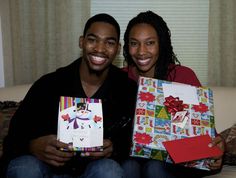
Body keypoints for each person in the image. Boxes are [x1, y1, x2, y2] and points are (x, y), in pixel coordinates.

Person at [0, 13, 137, 178]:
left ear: (117, 48)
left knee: (109, 170)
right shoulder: (49, 84)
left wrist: (113, 148)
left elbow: (131, 141)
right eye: (92, 40)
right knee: (25, 167)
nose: (100, 49)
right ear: (82, 42)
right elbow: (12, 139)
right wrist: (32, 146)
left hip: (93, 170)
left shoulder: (126, 90)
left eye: (109, 43)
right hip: (47, 169)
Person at [122, 10, 225, 178]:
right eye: (134, 43)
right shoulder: (120, 78)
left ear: (161, 44)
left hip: (175, 161)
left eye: (150, 43)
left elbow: (203, 127)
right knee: (129, 167)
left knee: (155, 168)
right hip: (132, 157)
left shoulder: (182, 76)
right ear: (127, 46)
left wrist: (218, 146)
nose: (141, 51)